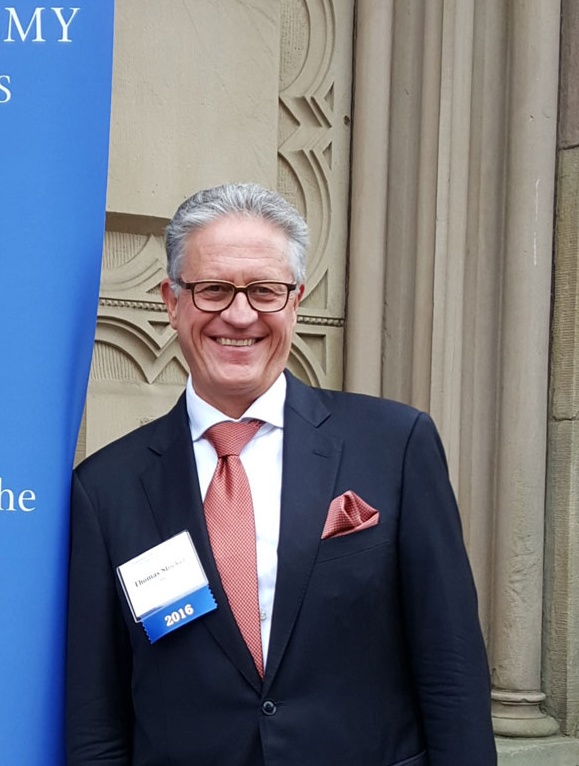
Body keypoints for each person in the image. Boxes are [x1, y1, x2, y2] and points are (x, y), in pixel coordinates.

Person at [65, 183, 495, 766]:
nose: (239, 315)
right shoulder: (105, 488)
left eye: (264, 291)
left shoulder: (395, 446)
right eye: (213, 289)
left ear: (294, 300)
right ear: (171, 300)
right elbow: (97, 719)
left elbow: (452, 672)